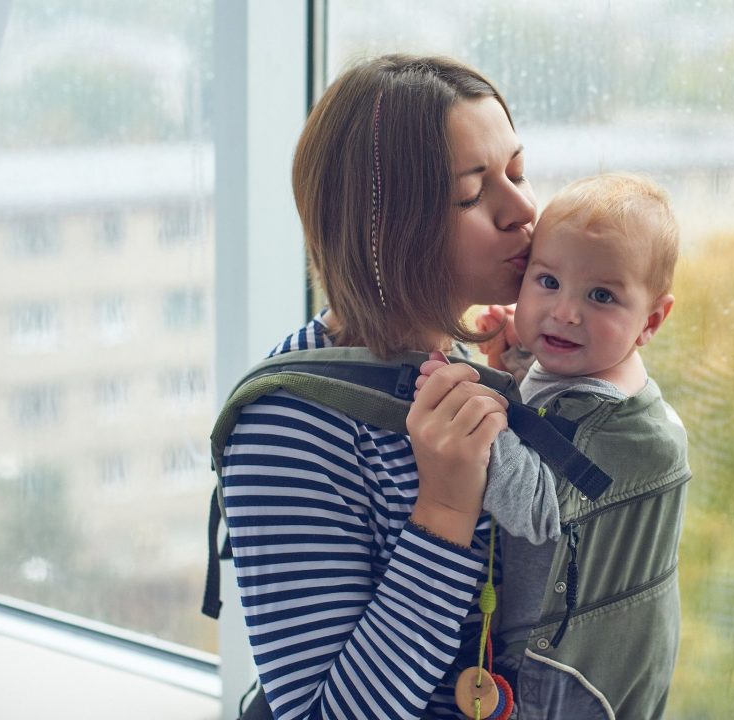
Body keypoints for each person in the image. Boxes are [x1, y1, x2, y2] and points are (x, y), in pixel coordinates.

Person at [218, 54, 535, 719]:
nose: (523, 210)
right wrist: (445, 511)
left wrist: (529, 393)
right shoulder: (287, 427)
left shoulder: (472, 362)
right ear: (383, 227)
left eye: (517, 172)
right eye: (474, 194)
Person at [421, 173, 690, 718]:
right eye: (547, 282)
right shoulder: (589, 369)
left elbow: (537, 506)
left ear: (652, 320)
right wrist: (520, 368)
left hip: (571, 686)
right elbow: (555, 419)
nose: (566, 312)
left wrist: (471, 408)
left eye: (601, 296)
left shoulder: (624, 429)